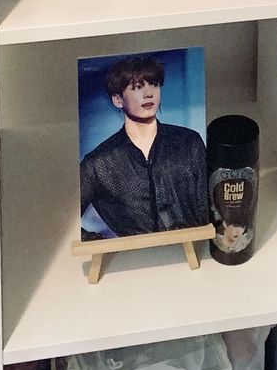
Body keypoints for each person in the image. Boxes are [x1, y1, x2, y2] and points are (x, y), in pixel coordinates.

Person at [79, 55, 208, 239]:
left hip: (190, 250)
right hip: (134, 260)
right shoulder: (98, 163)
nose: (149, 94)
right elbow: (61, 221)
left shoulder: (188, 142)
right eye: (138, 87)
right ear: (118, 100)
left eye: (154, 84)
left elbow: (209, 205)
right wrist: (99, 244)